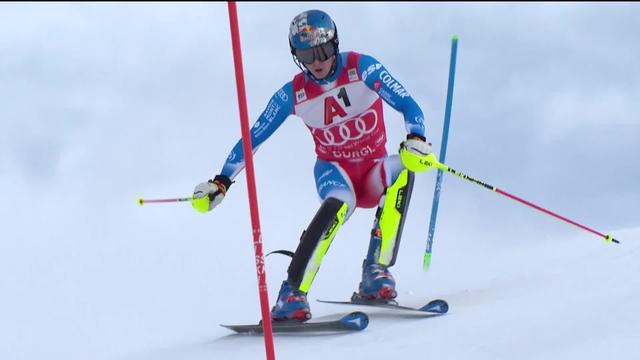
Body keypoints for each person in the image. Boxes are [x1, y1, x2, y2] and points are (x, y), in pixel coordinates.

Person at [192, 9, 435, 322]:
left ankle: (376, 271)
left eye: (322, 51)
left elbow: (407, 103)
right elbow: (254, 137)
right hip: (336, 171)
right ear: (297, 57)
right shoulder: (292, 94)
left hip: (374, 169)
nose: (317, 61)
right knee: (340, 204)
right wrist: (221, 181)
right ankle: (291, 293)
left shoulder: (362, 67)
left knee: (403, 169)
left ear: (334, 45)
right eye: (307, 55)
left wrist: (416, 137)